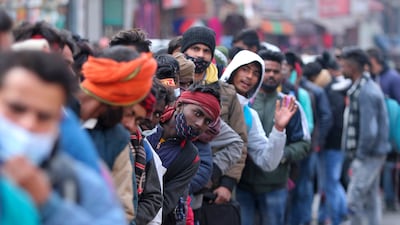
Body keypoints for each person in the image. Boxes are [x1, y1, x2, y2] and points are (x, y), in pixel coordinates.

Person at [0, 50, 126, 225]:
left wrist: (49, 207)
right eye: (17, 109)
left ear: (59, 122)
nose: (28, 124)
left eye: (43, 117)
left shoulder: (80, 185)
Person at [78, 46, 157, 224]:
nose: (130, 125)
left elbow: (124, 211)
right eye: (130, 112)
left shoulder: (117, 139)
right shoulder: (53, 112)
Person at [236, 49, 311, 225]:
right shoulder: (244, 103)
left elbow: (304, 143)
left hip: (274, 186)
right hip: (243, 186)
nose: (271, 75)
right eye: (267, 70)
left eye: (275, 71)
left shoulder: (290, 105)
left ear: (282, 74)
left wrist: (282, 155)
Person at [181, 26, 248, 202]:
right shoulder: (170, 87)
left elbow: (239, 141)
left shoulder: (226, 92)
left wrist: (221, 179)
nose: (200, 55)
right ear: (184, 51)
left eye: (206, 51)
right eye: (195, 49)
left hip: (208, 187)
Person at [146, 84, 221, 225]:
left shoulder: (191, 158)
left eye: (207, 121)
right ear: (179, 105)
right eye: (197, 113)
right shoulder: (148, 122)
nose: (200, 124)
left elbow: (165, 203)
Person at [340, 48, 391, 225]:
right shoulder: (363, 88)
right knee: (370, 199)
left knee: (354, 198)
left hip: (369, 155)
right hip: (372, 153)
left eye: (344, 66)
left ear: (352, 68)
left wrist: (359, 157)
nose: (341, 69)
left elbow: (369, 130)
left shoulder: (366, 92)